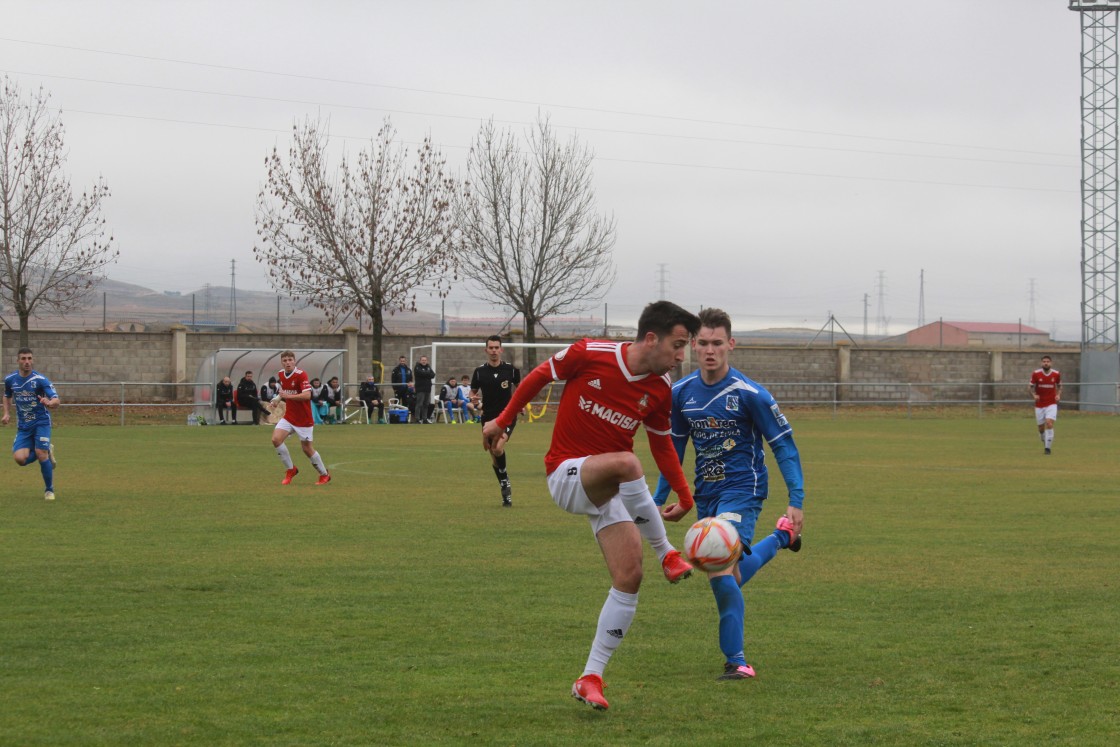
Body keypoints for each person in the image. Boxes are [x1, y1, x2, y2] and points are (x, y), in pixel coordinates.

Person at [481, 301, 701, 711]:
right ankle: (667, 553)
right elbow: (537, 377)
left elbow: (662, 444)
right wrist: (503, 421)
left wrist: (685, 494)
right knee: (627, 461)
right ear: (651, 338)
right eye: (678, 344)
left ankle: (590, 677)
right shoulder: (590, 353)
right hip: (566, 474)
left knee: (629, 576)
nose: (680, 355)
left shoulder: (659, 389)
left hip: (610, 488)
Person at [652, 307, 805, 682]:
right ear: (692, 346)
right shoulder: (680, 394)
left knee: (718, 568)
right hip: (707, 495)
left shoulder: (750, 394)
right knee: (727, 572)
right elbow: (672, 451)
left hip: (744, 490)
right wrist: (659, 499)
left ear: (730, 345)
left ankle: (737, 661)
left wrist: (796, 498)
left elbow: (784, 446)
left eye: (716, 343)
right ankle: (783, 536)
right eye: (701, 342)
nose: (709, 350)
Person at [2, 347, 60, 501]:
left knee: (41, 455)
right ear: (18, 361)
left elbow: (56, 400)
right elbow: (7, 396)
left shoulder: (40, 380)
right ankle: (47, 449)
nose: (27, 362)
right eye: (23, 359)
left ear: (32, 360)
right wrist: (6, 413)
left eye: (29, 358)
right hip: (24, 426)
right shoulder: (10, 379)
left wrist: (49, 402)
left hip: (41, 422)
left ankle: (49, 490)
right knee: (20, 459)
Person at [471, 336, 522, 506]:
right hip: (487, 418)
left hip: (506, 416)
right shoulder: (479, 372)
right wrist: (475, 402)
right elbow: (473, 393)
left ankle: (505, 479)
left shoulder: (511, 370)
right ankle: (505, 487)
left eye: (496, 347)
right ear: (486, 350)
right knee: (492, 452)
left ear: (501, 350)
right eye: (490, 348)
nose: (493, 350)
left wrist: (519, 404)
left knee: (498, 447)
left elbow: (521, 389)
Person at [271, 350, 331, 486]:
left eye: (290, 360)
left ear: (294, 361)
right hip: (289, 416)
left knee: (307, 449)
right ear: (282, 362)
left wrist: (288, 397)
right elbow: (283, 392)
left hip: (304, 420)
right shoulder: (281, 374)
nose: (287, 363)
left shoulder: (301, 375)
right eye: (285, 360)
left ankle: (324, 474)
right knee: (276, 439)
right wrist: (276, 399)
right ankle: (291, 469)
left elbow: (307, 395)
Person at [1030, 355, 1061, 455]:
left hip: (1051, 403)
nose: (1046, 363)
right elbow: (1030, 386)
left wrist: (1058, 395)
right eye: (1044, 361)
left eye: (1048, 361)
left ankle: (1047, 449)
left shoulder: (1056, 374)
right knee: (1041, 428)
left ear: (1051, 363)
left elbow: (1060, 385)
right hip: (1039, 404)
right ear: (1041, 363)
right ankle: (1044, 439)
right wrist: (1034, 395)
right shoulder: (1036, 374)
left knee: (1049, 423)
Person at [412, 355, 436, 423]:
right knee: (419, 404)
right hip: (420, 388)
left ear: (427, 361)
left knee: (426, 404)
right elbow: (420, 373)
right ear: (420, 361)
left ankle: (424, 418)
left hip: (427, 388)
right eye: (422, 360)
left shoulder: (428, 366)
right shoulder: (417, 367)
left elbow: (433, 375)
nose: (424, 361)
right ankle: (417, 419)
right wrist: (427, 374)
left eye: (425, 360)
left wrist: (426, 374)